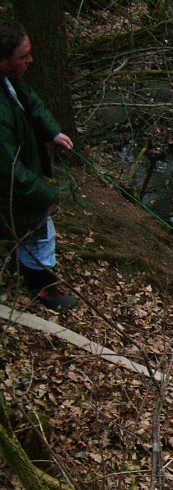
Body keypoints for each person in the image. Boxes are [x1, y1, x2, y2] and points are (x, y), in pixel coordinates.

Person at [0, 21, 76, 309]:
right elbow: (10, 173)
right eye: (23, 56)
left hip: (13, 179)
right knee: (39, 229)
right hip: (7, 186)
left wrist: (52, 132)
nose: (30, 60)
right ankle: (42, 289)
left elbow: (29, 101)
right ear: (3, 60)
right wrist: (48, 194)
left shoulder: (9, 80)